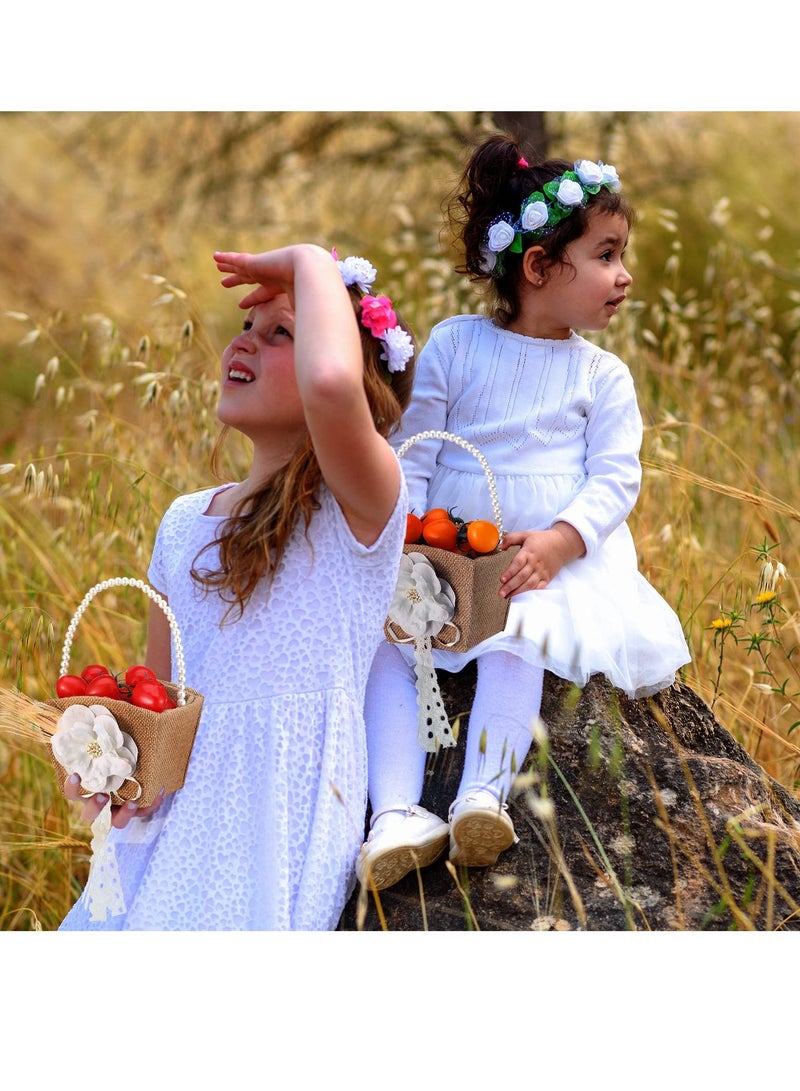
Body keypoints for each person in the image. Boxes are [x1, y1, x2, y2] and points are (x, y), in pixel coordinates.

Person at [358, 134, 692, 890]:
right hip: (445, 552)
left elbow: (614, 478)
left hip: (543, 564)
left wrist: (560, 541)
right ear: (540, 267)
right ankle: (396, 814)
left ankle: (483, 792)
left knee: (522, 633)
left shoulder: (601, 376)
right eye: (606, 254)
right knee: (393, 641)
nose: (624, 274)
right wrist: (404, 538)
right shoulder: (453, 345)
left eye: (621, 254)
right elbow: (414, 447)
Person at [59, 243, 416, 929]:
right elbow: (159, 718)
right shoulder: (183, 521)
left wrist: (309, 259)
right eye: (247, 327)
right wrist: (111, 772)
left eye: (282, 332)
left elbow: (333, 386)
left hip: (272, 832)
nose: (244, 342)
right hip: (165, 844)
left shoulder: (359, 507)